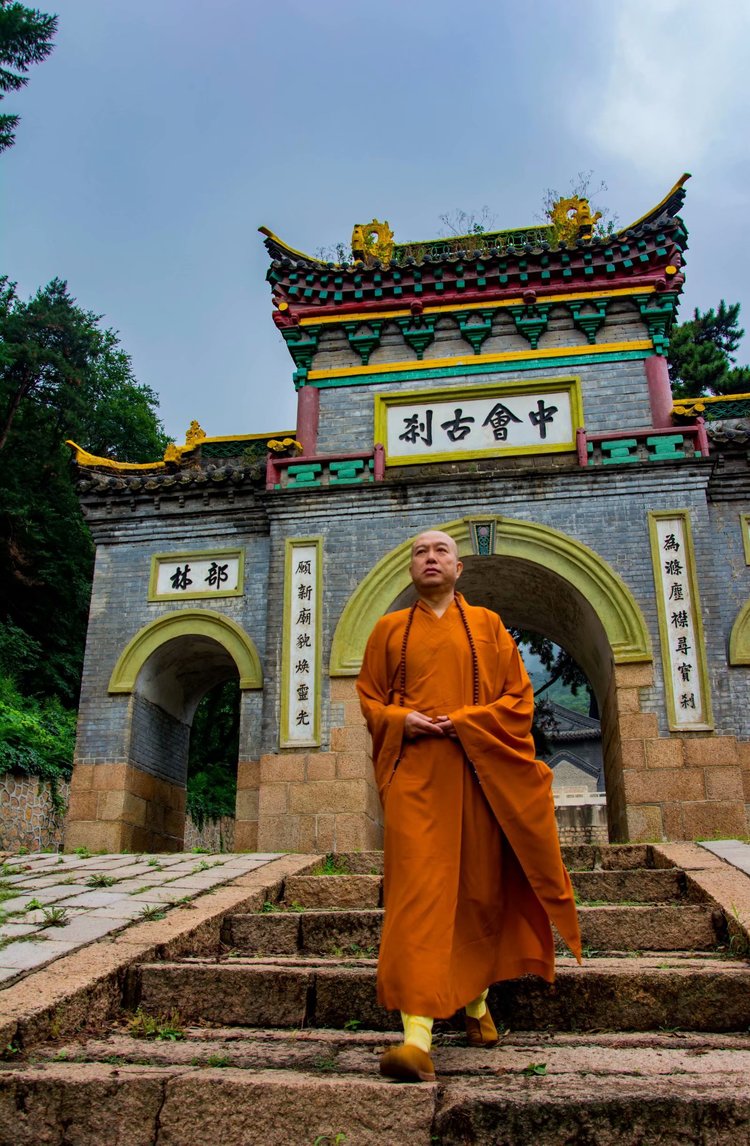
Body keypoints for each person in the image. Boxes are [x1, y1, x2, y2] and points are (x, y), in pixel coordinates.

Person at [356, 530, 582, 1083]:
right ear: (409, 568)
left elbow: (518, 701)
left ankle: (477, 1006)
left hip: (479, 777)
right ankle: (416, 1037)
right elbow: (369, 698)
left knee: (477, 893)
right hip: (417, 778)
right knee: (418, 895)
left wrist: (466, 722)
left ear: (459, 568)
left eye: (441, 552)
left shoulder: (488, 627)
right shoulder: (388, 630)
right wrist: (398, 720)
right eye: (419, 552)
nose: (430, 559)